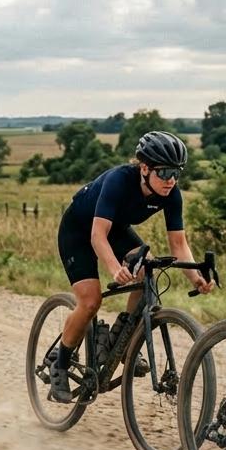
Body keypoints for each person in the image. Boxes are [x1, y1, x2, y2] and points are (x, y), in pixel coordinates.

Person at [49, 131, 213, 403]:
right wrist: (115, 268)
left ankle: (122, 341)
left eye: (176, 173)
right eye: (164, 172)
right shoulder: (119, 180)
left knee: (145, 267)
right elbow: (97, 236)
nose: (170, 180)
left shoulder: (171, 194)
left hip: (116, 230)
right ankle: (61, 363)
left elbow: (178, 243)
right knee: (91, 301)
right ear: (144, 168)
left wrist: (195, 277)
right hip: (79, 230)